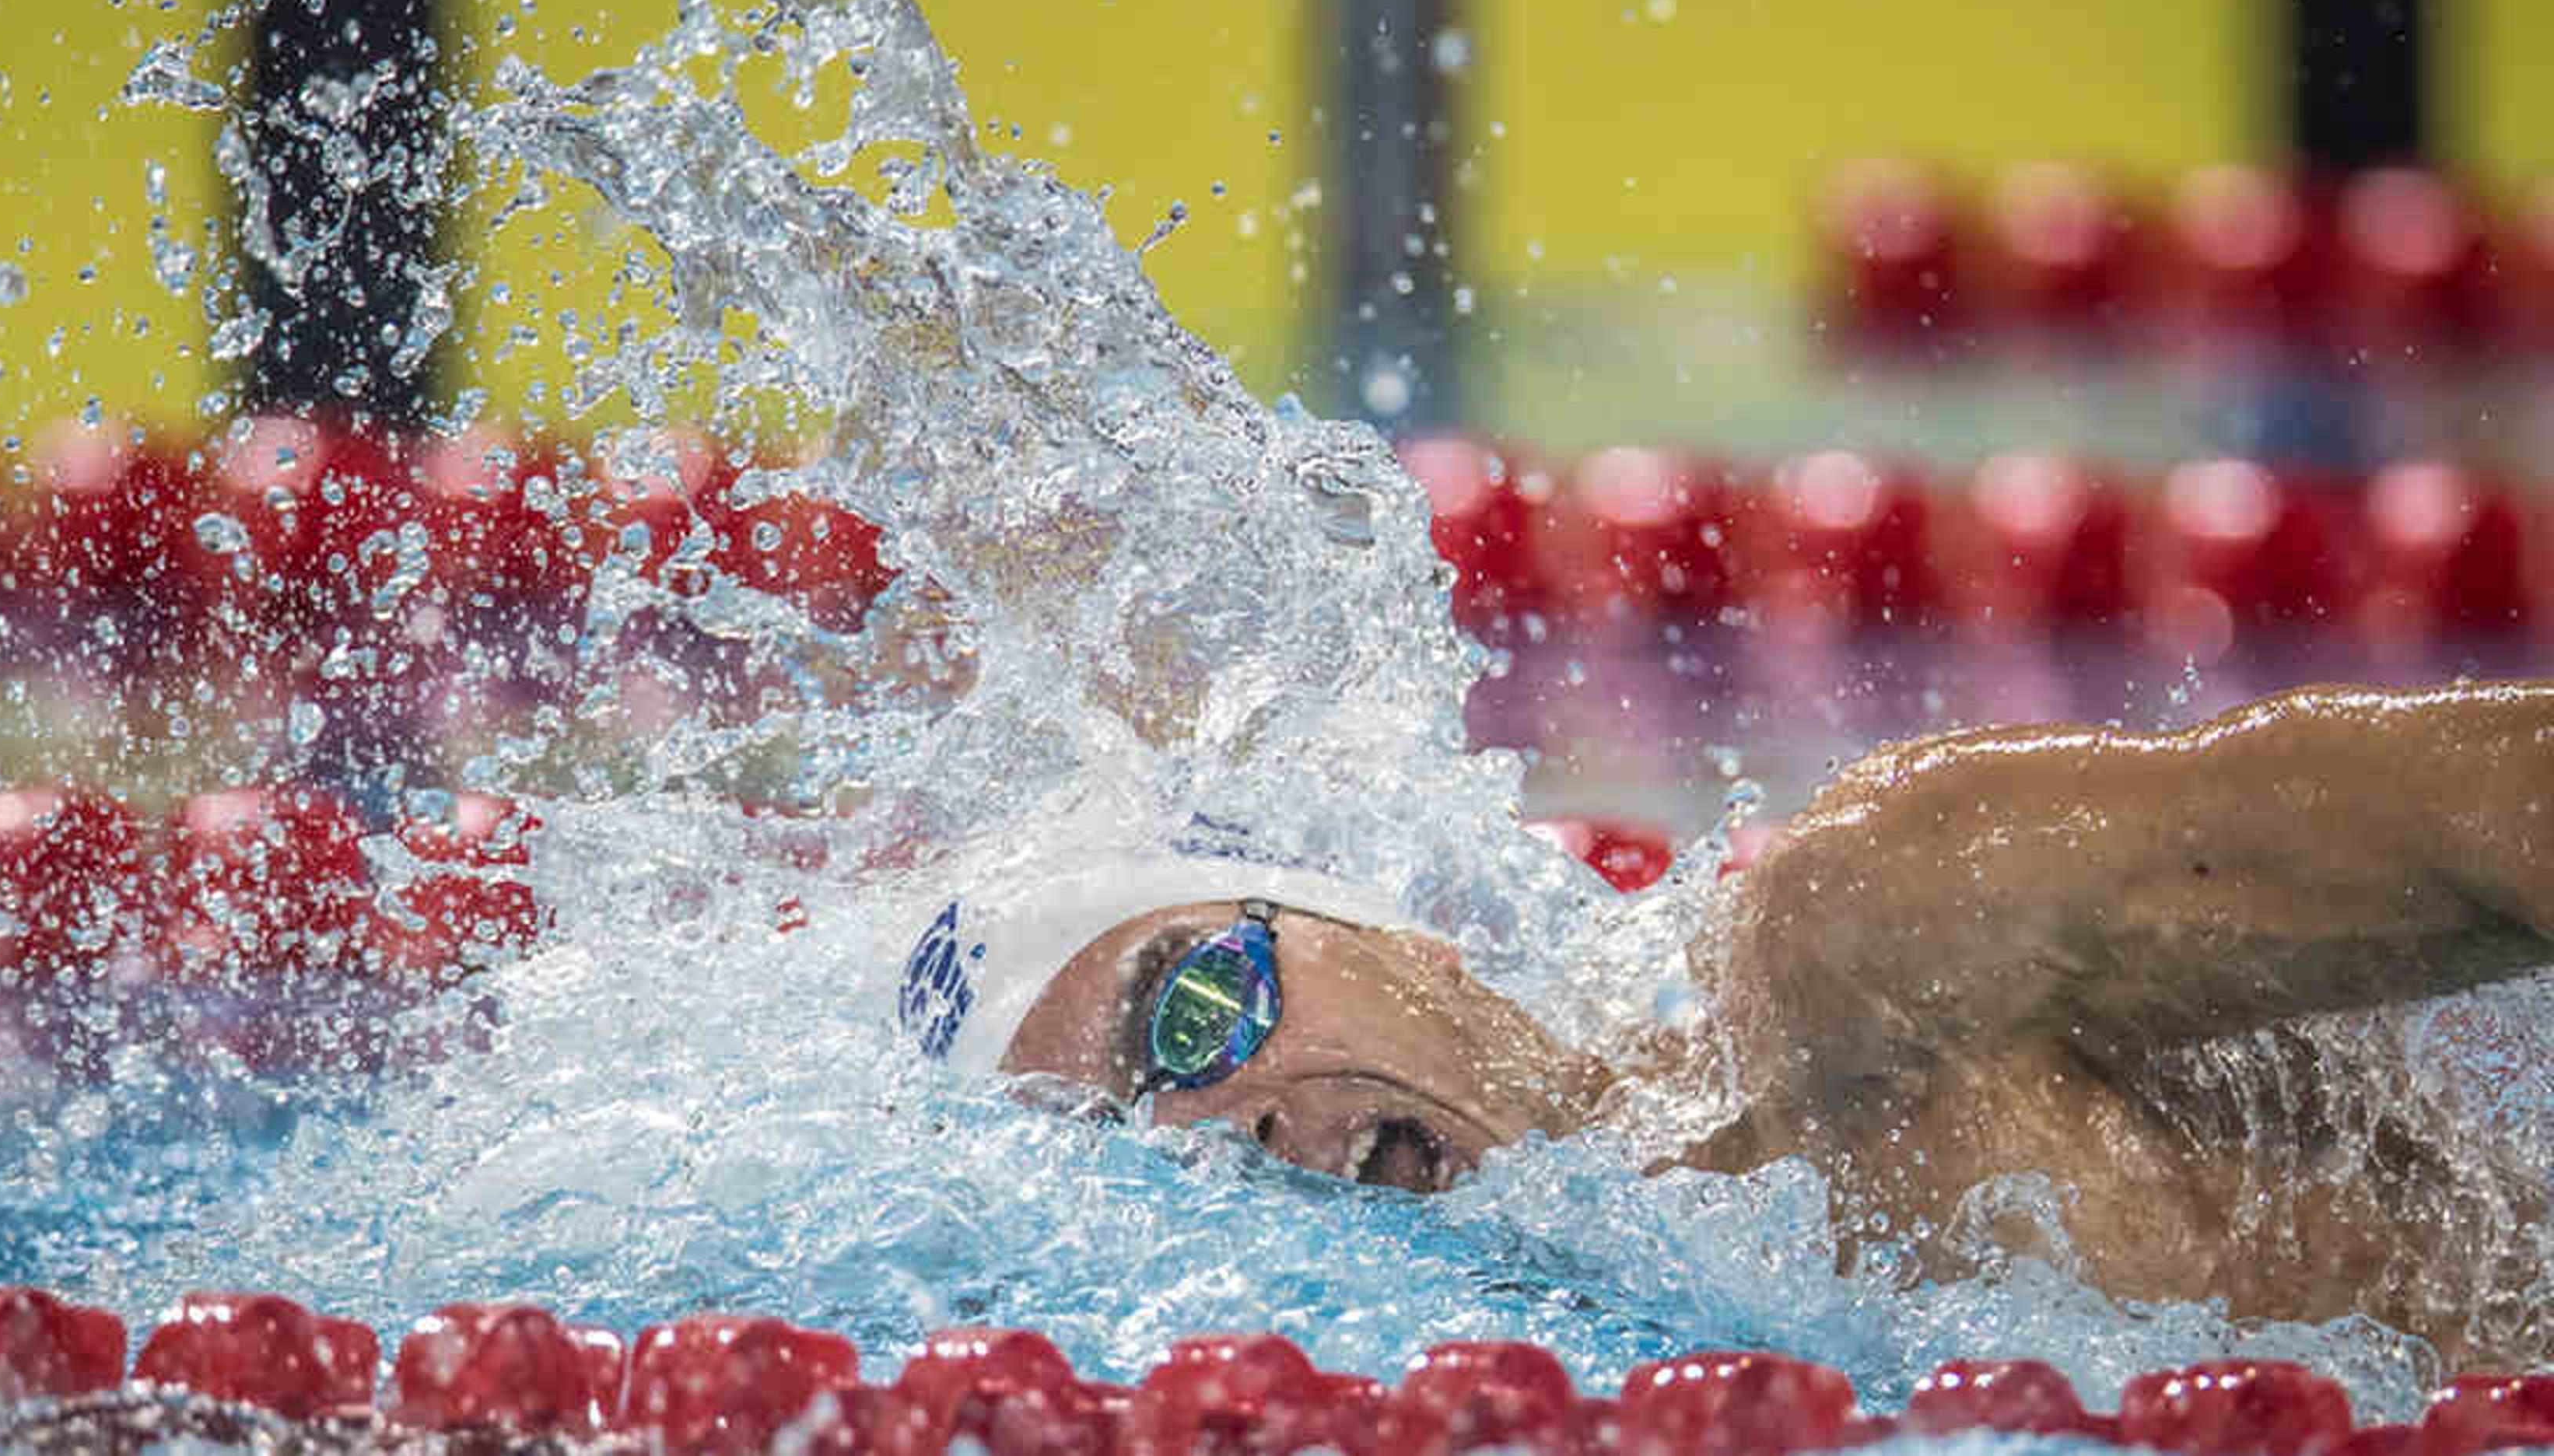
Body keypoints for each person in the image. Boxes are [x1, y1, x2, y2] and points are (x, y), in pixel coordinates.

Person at [895, 679, 2554, 1371]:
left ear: (1400, 943)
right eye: (1127, 1154)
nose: (1216, 1127)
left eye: (1190, 1010)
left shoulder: (1862, 954)